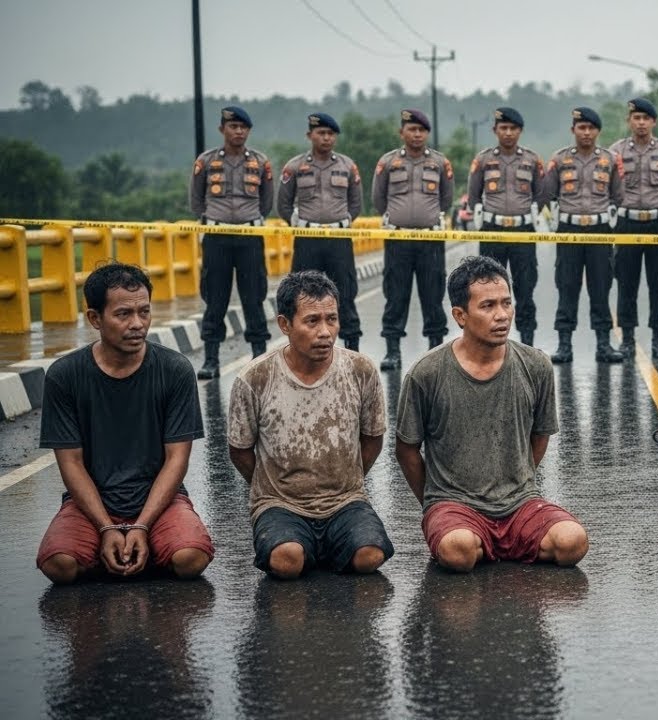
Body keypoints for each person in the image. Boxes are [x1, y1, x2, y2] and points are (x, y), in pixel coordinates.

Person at [394, 256, 588, 572]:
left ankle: (494, 544)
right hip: (455, 506)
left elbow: (540, 436)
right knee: (458, 550)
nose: (502, 316)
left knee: (573, 542)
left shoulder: (536, 365)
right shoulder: (426, 373)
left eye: (506, 303)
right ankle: (474, 539)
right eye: (487, 306)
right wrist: (433, 503)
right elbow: (407, 450)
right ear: (460, 315)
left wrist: (516, 478)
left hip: (520, 503)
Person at [36, 263, 212, 584]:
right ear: (94, 319)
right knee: (58, 565)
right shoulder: (64, 376)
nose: (137, 324)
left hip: (158, 500)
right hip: (93, 503)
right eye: (123, 314)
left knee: (191, 559)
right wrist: (105, 526)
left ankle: (137, 544)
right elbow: (71, 464)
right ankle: (118, 546)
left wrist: (143, 525)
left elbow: (177, 459)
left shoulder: (175, 370)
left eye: (144, 312)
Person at [228, 271, 394, 579]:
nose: (325, 332)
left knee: (370, 556)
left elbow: (372, 439)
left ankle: (329, 543)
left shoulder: (361, 370)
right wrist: (270, 485)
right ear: (285, 325)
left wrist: (349, 479)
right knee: (286, 560)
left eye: (331, 319)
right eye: (312, 321)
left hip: (345, 500)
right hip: (279, 503)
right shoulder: (255, 378)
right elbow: (239, 450)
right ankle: (302, 543)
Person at [189, 105, 273, 379]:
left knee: (254, 297)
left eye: (243, 127)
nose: (238, 131)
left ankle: (259, 356)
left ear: (248, 131)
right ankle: (211, 359)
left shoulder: (260, 162)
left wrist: (251, 219)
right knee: (215, 298)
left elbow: (267, 201)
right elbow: (196, 199)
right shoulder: (206, 160)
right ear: (221, 129)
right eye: (233, 126)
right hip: (217, 237)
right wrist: (213, 218)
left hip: (249, 236)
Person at [537, 106, 625, 364]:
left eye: (591, 128)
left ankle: (604, 345)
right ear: (573, 130)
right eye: (581, 127)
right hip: (569, 230)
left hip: (599, 231)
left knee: (601, 287)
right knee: (567, 286)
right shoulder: (560, 159)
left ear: (598, 131)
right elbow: (546, 193)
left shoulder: (610, 159)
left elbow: (618, 196)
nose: (586, 132)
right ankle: (565, 345)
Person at [373, 108, 455, 369]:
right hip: (398, 239)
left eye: (421, 130)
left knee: (433, 295)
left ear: (427, 134)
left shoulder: (440, 163)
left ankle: (436, 351)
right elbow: (378, 198)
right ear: (402, 132)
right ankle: (392, 351)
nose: (417, 134)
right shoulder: (387, 162)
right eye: (412, 129)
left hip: (430, 240)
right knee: (396, 295)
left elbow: (446, 199)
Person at [278, 112, 363, 351]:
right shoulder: (295, 166)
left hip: (338, 237)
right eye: (321, 133)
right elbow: (283, 204)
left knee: (345, 292)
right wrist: (300, 223)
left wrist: (342, 222)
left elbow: (356, 204)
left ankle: (352, 346)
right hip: (308, 238)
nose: (326, 138)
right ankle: (301, 345)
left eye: (330, 134)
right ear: (310, 135)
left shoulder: (347, 166)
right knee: (302, 294)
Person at [469, 107, 543, 348]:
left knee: (525, 289)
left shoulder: (531, 160)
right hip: (493, 229)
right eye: (504, 128)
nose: (508, 133)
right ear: (495, 130)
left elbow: (541, 195)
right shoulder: (483, 160)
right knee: (488, 290)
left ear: (520, 131)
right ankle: (490, 341)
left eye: (513, 128)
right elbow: (473, 195)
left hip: (522, 231)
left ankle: (527, 344)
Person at [608, 98, 658, 358]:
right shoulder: (616, 151)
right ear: (629, 121)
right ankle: (627, 339)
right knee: (627, 284)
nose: (641, 123)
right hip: (627, 223)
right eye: (636, 118)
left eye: (645, 118)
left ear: (653, 122)